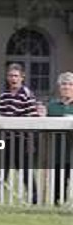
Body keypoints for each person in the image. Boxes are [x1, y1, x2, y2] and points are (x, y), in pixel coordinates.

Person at [0, 63, 41, 204]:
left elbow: (32, 118)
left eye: (16, 76)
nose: (13, 79)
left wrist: (30, 141)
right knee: (1, 168)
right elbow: (0, 114)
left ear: (22, 77)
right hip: (6, 137)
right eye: (11, 76)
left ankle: (34, 197)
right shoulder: (4, 95)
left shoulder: (27, 94)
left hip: (21, 138)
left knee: (24, 169)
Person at [46, 71, 73, 205]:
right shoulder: (52, 106)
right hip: (58, 152)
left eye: (70, 84)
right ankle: (58, 205)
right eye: (63, 84)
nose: (66, 87)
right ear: (59, 87)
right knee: (58, 181)